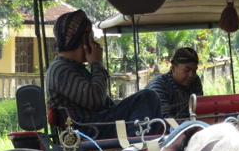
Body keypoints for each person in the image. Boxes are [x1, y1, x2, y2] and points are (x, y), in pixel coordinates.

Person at [46, 10, 161, 138]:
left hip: (94, 127)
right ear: (84, 39)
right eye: (91, 37)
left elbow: (106, 103)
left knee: (145, 100)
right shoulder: (60, 69)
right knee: (148, 97)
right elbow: (96, 100)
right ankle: (136, 150)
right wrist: (97, 64)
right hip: (87, 132)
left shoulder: (74, 68)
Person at [145, 47, 203, 120]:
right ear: (173, 68)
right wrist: (188, 126)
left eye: (194, 71)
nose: (191, 75)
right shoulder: (159, 85)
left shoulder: (195, 81)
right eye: (186, 70)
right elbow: (165, 119)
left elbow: (200, 111)